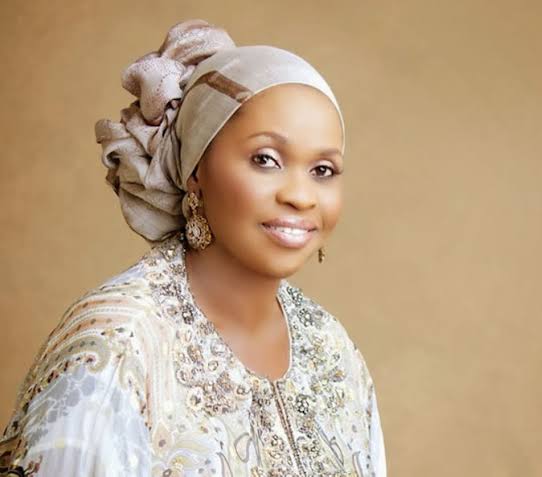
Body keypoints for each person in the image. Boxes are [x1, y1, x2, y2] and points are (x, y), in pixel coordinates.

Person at [0, 19, 386, 477]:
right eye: (266, 159)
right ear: (195, 168)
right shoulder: (118, 346)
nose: (301, 197)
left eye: (323, 170)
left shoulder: (332, 349)